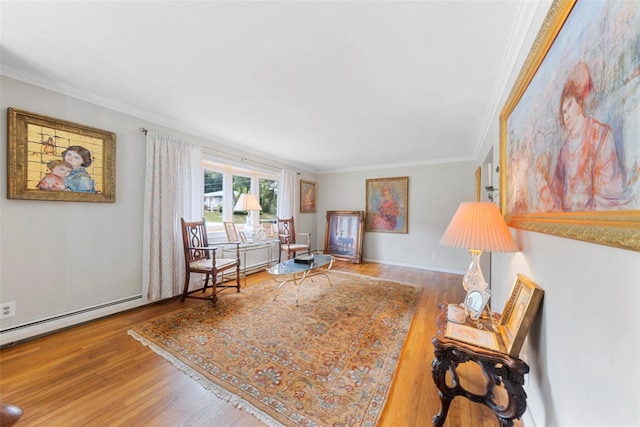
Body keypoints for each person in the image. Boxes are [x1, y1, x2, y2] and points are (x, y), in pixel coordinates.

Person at [535, 62, 628, 212]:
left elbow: (607, 197)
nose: (566, 116)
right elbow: (557, 197)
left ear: (579, 102)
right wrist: (541, 181)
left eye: (569, 105)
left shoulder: (601, 135)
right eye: (563, 112)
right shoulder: (564, 150)